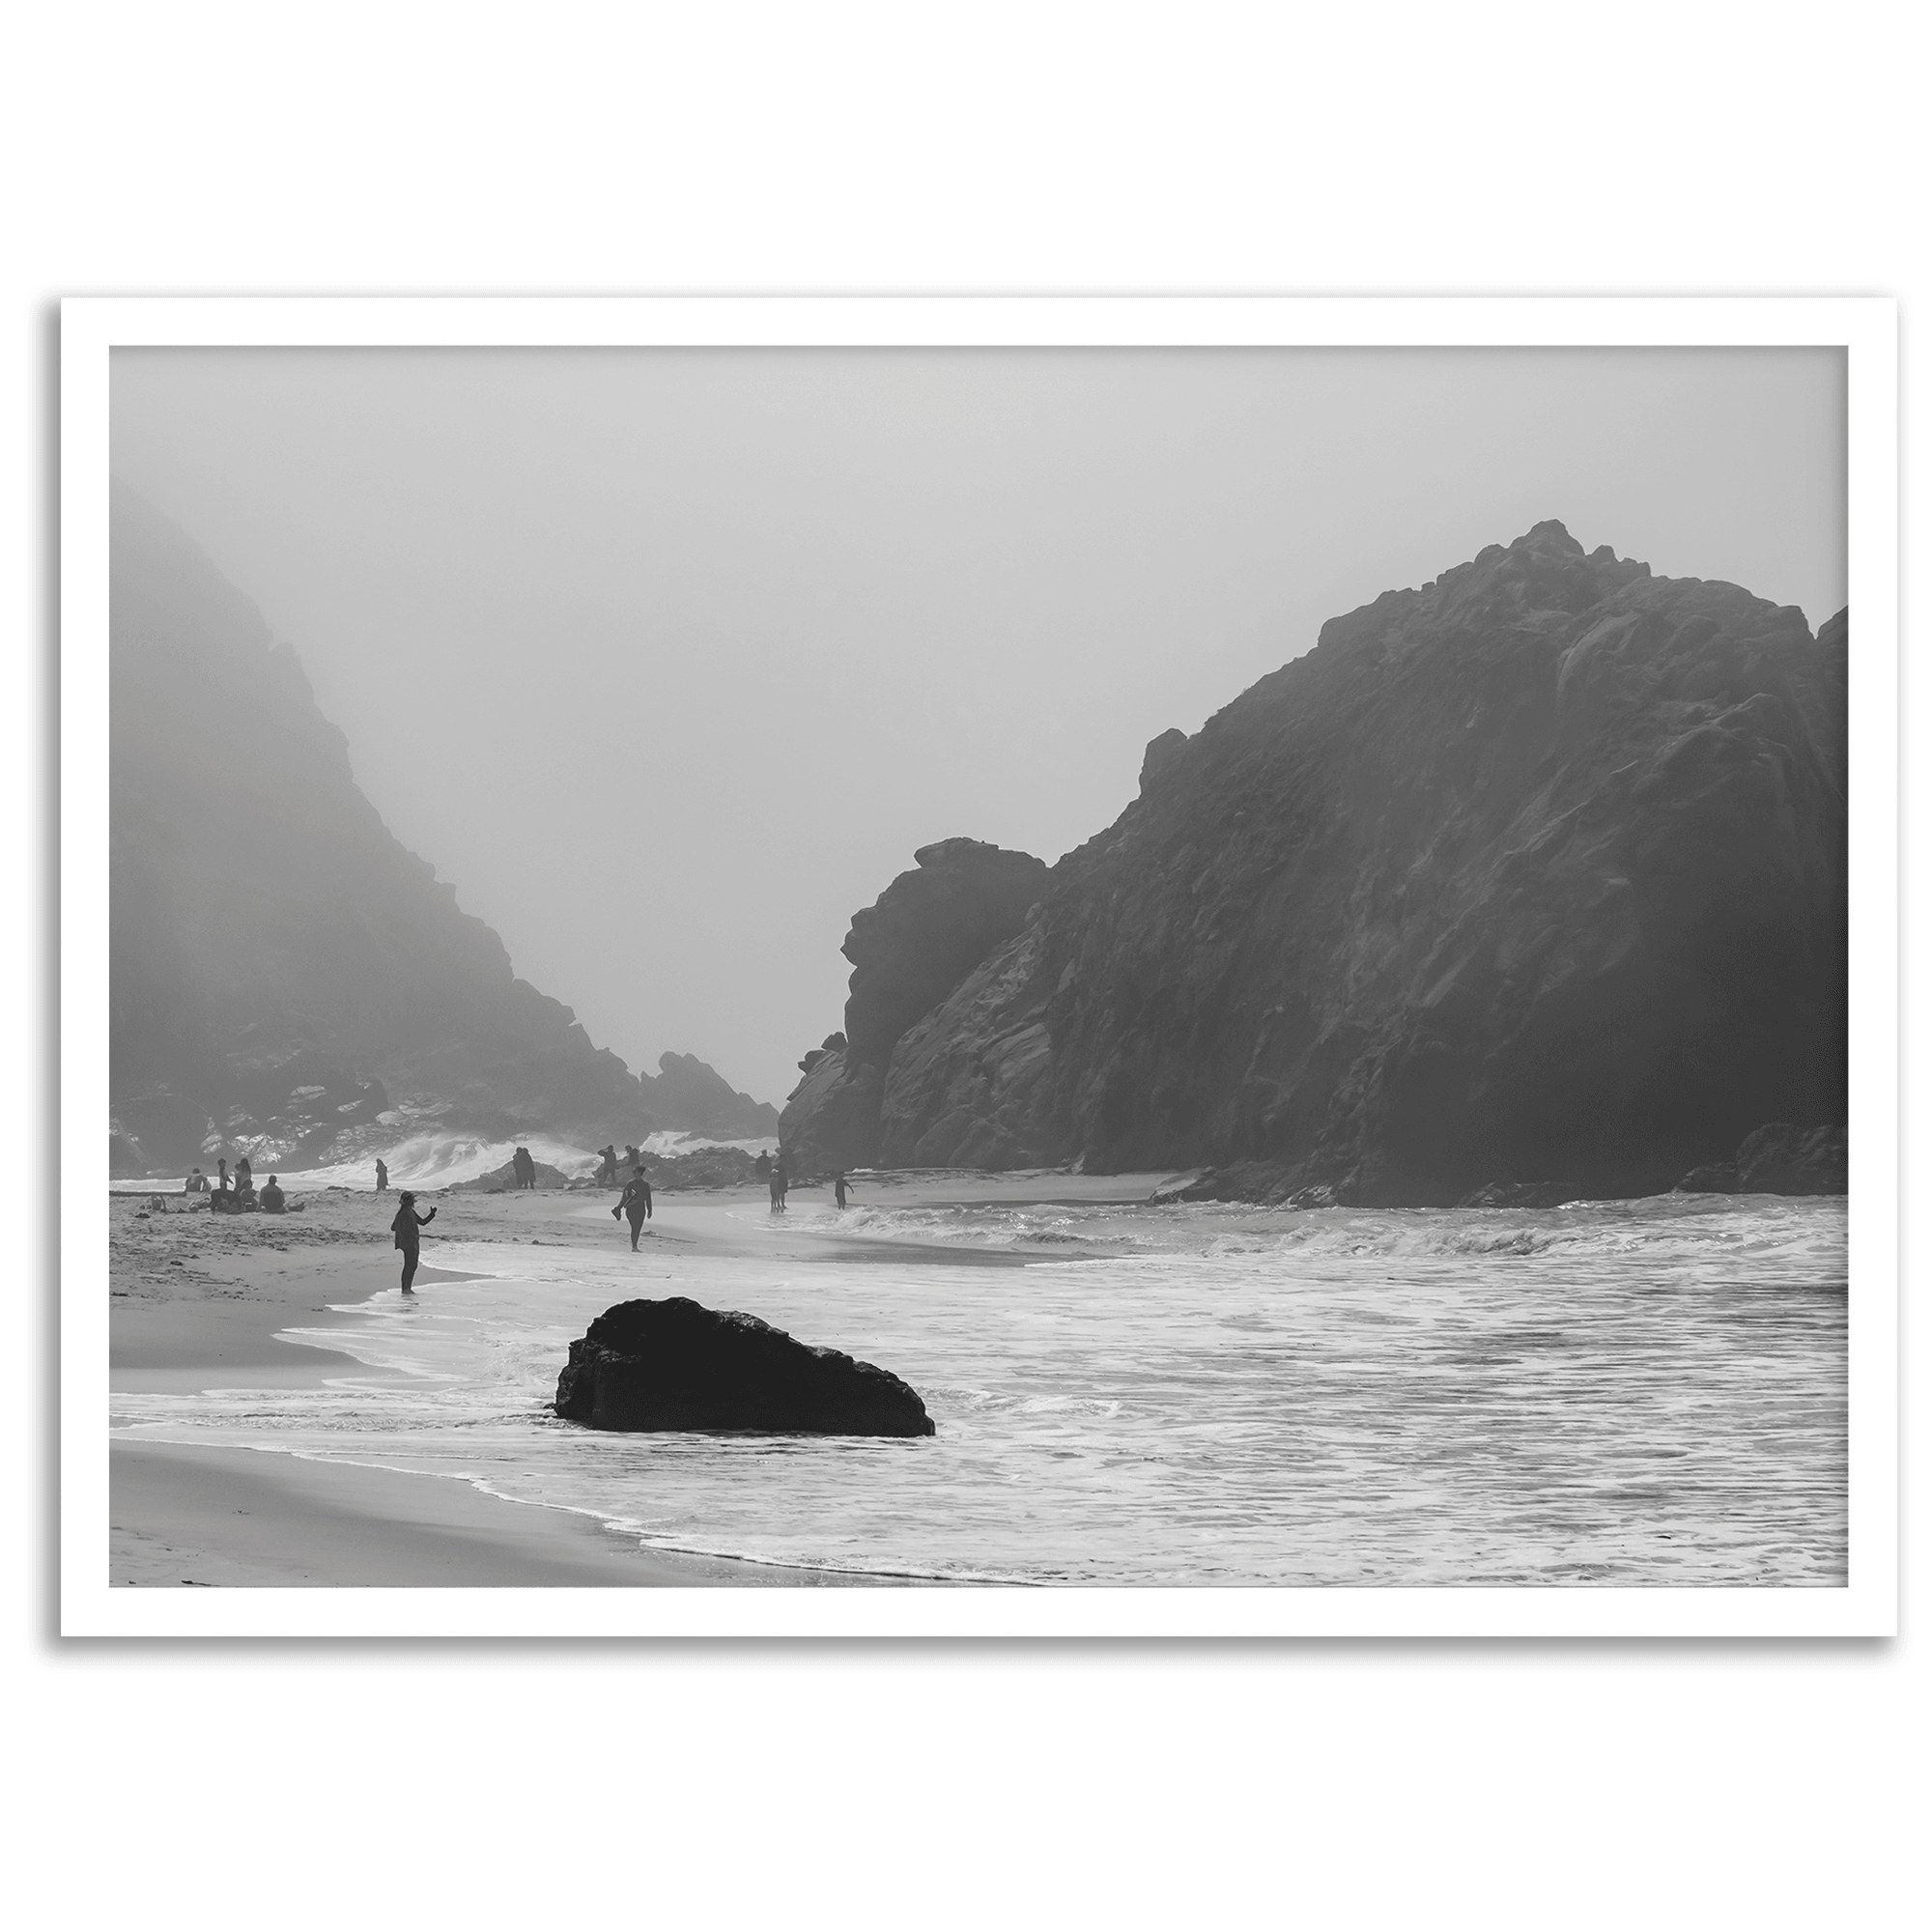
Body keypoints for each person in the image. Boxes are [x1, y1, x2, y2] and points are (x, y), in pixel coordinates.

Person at [390, 1191, 438, 1294]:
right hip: (410, 1243)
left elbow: (393, 1227)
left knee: (410, 1265)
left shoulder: (404, 1212)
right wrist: (413, 1235)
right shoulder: (406, 1212)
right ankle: (406, 1289)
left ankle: (406, 1288)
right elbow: (396, 1228)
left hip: (407, 1242)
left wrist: (431, 1214)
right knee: (411, 1265)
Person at [615, 1168, 653, 1249]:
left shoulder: (645, 1184)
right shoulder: (630, 1183)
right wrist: (619, 1207)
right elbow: (625, 1197)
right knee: (634, 1227)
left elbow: (648, 1198)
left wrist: (650, 1210)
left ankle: (635, 1246)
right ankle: (634, 1246)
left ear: (640, 1173)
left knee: (638, 1228)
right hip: (631, 1208)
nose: (633, 1173)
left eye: (635, 1171)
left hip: (641, 1208)